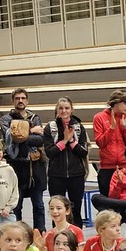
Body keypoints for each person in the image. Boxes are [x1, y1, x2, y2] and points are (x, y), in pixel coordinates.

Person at [0, 88, 46, 231]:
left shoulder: (35, 118)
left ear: (27, 101)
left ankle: (40, 234)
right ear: (13, 101)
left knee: (38, 205)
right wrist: (31, 131)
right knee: (16, 205)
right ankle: (18, 234)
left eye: (23, 98)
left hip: (35, 167)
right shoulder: (5, 119)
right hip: (16, 166)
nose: (20, 101)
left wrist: (22, 135)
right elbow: (13, 138)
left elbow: (39, 140)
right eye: (17, 98)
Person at [43, 97, 89, 227]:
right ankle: (57, 235)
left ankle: (77, 236)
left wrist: (71, 141)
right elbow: (50, 153)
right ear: (57, 110)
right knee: (56, 211)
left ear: (72, 110)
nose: (64, 111)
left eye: (67, 108)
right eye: (61, 108)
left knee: (75, 210)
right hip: (56, 175)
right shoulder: (50, 128)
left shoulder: (79, 127)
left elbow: (83, 152)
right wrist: (64, 141)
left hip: (76, 174)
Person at [92, 89, 126, 198]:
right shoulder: (99, 117)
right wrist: (112, 128)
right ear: (116, 102)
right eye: (125, 103)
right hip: (106, 168)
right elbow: (100, 143)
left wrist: (125, 129)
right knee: (107, 201)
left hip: (124, 167)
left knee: (125, 199)